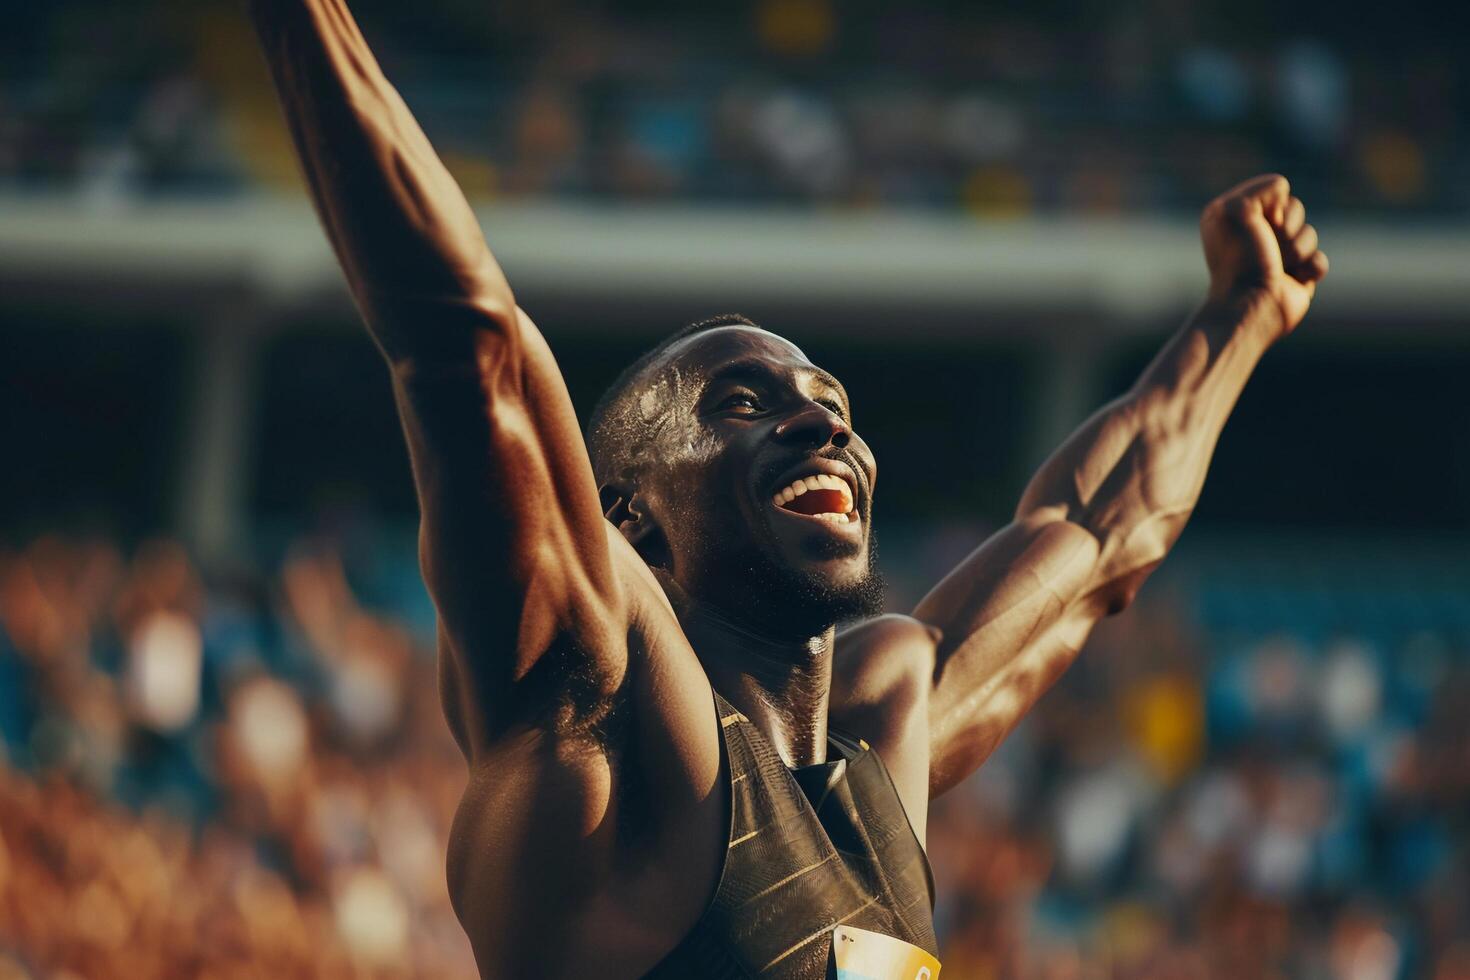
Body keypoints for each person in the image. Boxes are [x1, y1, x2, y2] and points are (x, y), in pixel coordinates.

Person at [249, 1, 1329, 976]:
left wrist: (1242, 318)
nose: (822, 420)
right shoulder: (602, 724)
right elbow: (468, 341)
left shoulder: (886, 720)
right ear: (627, 517)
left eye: (831, 401)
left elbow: (1098, 535)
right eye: (740, 402)